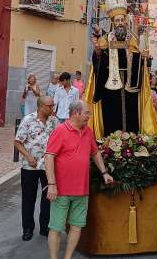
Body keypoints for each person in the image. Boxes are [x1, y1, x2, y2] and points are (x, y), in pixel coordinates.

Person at [45, 100, 114, 259]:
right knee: (56, 227)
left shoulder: (88, 131)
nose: (89, 117)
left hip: (81, 190)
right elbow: (49, 157)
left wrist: (104, 173)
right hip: (61, 190)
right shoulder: (60, 131)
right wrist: (51, 184)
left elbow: (95, 152)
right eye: (87, 113)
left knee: (76, 226)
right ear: (76, 113)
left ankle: (68, 257)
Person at [89, 0, 155, 135]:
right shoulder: (105, 40)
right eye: (117, 20)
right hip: (110, 89)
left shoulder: (132, 40)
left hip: (129, 87)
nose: (120, 22)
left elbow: (137, 59)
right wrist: (98, 52)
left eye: (122, 19)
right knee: (111, 119)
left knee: (131, 119)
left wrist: (142, 57)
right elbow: (98, 62)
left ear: (125, 21)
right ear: (113, 22)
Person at [14, 95, 59, 241]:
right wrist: (28, 156)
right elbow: (18, 142)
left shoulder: (54, 121)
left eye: (53, 105)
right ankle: (27, 228)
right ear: (40, 107)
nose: (53, 108)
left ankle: (45, 227)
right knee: (28, 198)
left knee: (48, 198)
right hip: (30, 166)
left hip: (48, 167)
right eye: (50, 106)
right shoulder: (28, 120)